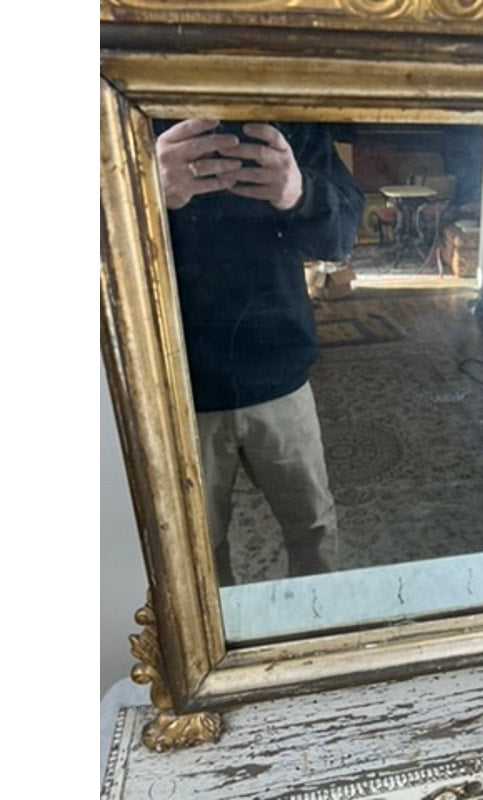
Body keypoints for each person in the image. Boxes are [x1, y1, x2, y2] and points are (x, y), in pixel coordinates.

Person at [154, 118, 364, 584]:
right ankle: (213, 650)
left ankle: (320, 635)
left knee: (313, 527)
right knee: (194, 548)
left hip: (279, 369)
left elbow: (342, 235)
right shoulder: (113, 106)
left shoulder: (286, 113)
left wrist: (299, 192)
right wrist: (141, 186)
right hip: (170, 383)